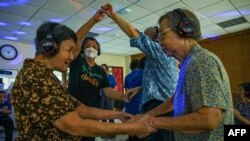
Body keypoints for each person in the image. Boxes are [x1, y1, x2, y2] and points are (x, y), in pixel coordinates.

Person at [11, 10, 155, 141]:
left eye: (73, 50)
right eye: (69, 50)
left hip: (88, 119)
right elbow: (74, 125)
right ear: (49, 47)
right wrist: (132, 128)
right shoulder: (35, 76)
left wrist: (118, 114)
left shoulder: (46, 76)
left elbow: (82, 109)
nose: (71, 55)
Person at [131, 8, 234, 141]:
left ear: (185, 29)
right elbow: (177, 99)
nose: (159, 41)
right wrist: (147, 115)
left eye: (162, 34)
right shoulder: (188, 64)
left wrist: (151, 122)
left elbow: (209, 119)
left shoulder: (201, 61)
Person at [101, 3, 178, 141]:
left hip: (161, 107)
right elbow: (164, 83)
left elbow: (133, 34)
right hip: (163, 105)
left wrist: (113, 15)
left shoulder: (159, 51)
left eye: (146, 38)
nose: (144, 42)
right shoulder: (162, 58)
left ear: (155, 40)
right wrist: (141, 87)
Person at [124, 59, 143, 141]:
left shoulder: (128, 76)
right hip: (140, 102)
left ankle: (131, 137)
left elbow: (127, 91)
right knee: (140, 124)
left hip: (130, 103)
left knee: (130, 123)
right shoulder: (144, 74)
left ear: (131, 66)